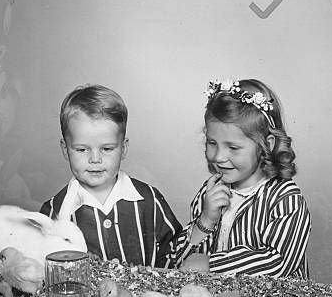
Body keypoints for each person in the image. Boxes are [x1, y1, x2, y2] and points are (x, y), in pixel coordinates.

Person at [40, 84, 190, 268]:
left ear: (123, 148)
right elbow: (43, 268)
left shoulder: (149, 199)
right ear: (65, 149)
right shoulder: (53, 212)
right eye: (81, 149)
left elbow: (174, 257)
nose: (95, 159)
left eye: (107, 148)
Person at [180, 79, 311, 278]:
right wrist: (206, 219)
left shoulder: (286, 200)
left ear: (266, 144)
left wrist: (213, 264)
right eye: (212, 143)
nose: (219, 157)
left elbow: (279, 262)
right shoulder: (210, 192)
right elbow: (181, 264)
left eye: (233, 147)